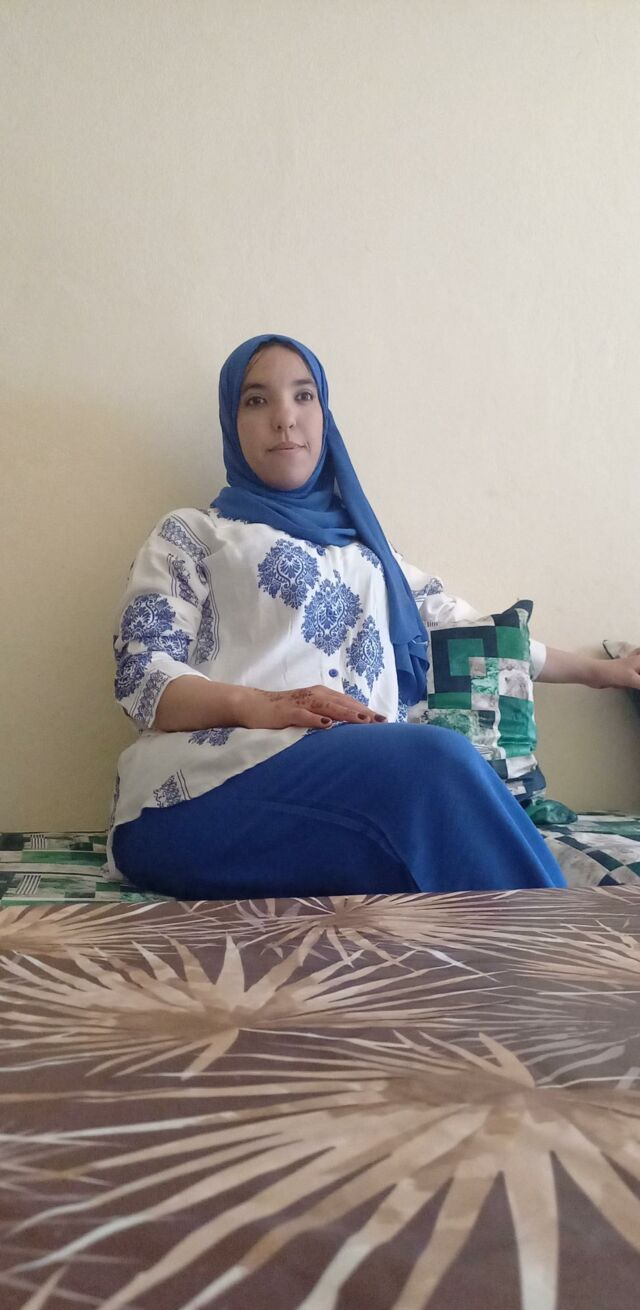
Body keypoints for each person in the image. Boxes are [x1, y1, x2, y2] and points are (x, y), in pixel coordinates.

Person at [108, 335, 640, 899]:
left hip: (355, 796)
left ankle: (538, 933)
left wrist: (604, 672)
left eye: (304, 396)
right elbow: (143, 677)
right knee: (436, 758)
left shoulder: (370, 555)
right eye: (256, 400)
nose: (285, 418)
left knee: (436, 841)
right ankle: (558, 936)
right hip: (201, 796)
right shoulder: (194, 534)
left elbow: (471, 632)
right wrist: (263, 705)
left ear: (325, 416)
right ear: (231, 422)